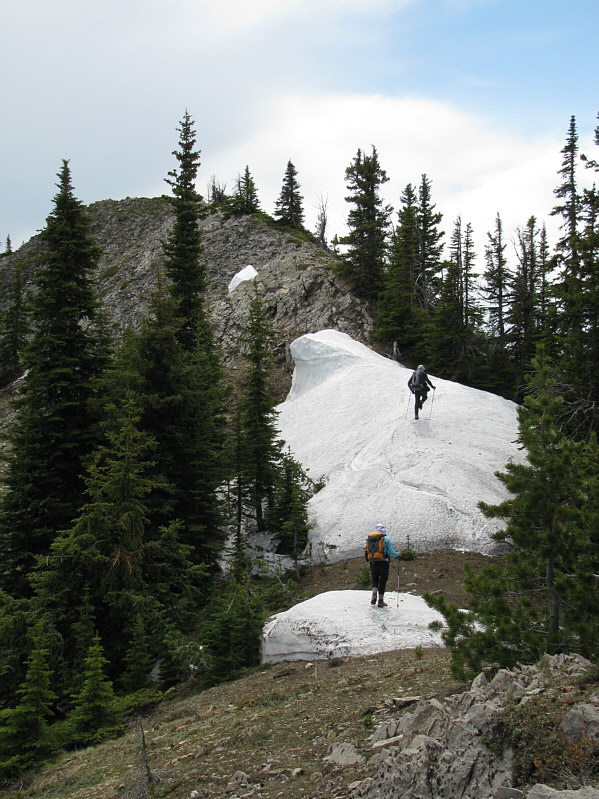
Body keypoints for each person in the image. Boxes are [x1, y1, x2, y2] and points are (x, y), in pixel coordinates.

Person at [364, 523, 401, 607]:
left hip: (373, 562)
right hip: (384, 562)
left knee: (374, 579)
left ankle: (374, 594)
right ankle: (380, 601)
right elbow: (391, 552)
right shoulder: (386, 539)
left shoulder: (371, 539)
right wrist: (397, 554)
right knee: (382, 581)